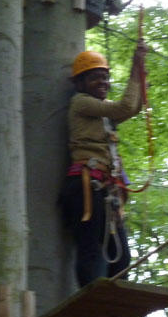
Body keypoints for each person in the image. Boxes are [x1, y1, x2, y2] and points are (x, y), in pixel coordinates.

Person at [61, 41, 147, 288]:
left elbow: (131, 108)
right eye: (95, 78)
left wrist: (141, 74)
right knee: (91, 250)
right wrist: (135, 67)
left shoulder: (103, 110)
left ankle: (114, 305)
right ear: (80, 83)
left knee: (121, 259)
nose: (103, 82)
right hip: (86, 185)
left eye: (105, 78)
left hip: (105, 188)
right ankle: (91, 303)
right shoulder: (81, 102)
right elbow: (125, 107)